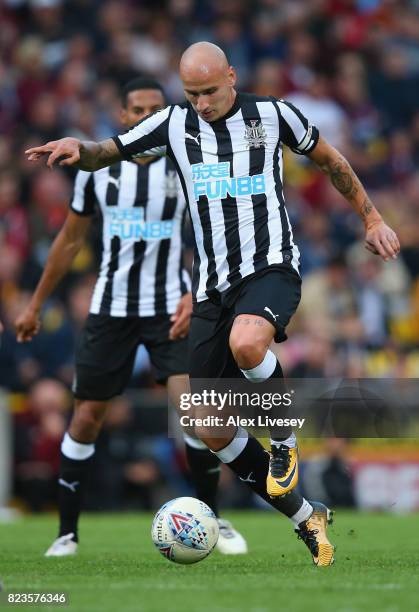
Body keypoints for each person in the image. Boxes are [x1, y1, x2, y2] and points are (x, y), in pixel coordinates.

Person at [26, 42, 400, 567]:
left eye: (208, 91)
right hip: (211, 290)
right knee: (208, 426)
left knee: (248, 344)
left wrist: (372, 218)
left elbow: (330, 161)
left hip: (270, 269)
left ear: (231, 75)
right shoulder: (173, 126)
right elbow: (108, 150)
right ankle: (304, 517)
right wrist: (76, 146)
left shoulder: (272, 114)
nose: (200, 103)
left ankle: (284, 441)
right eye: (191, 94)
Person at [17, 76, 247, 557]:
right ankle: (66, 533)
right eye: (137, 110)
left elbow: (209, 237)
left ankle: (213, 519)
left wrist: (196, 294)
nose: (146, 117)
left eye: (155, 109)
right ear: (123, 117)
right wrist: (36, 305)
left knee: (195, 412)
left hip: (170, 307)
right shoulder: (97, 170)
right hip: (111, 308)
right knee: (87, 417)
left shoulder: (185, 162)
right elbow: (70, 241)